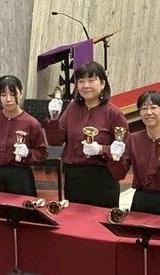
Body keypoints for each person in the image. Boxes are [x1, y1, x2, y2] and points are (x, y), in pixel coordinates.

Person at [44, 61, 128, 208]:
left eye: (91, 80)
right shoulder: (72, 108)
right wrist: (54, 118)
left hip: (102, 179)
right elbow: (56, 140)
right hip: (74, 178)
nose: (86, 85)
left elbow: (125, 151)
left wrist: (101, 150)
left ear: (102, 84)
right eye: (81, 81)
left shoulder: (113, 114)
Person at [109, 90, 160, 217]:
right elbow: (119, 174)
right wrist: (115, 157)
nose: (148, 112)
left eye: (153, 107)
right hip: (141, 200)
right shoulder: (133, 139)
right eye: (144, 108)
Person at [0, 75, 47, 196]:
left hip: (20, 176)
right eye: (3, 95)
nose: (8, 99)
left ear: (21, 94)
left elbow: (42, 153)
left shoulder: (31, 123)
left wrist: (28, 153)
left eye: (13, 94)